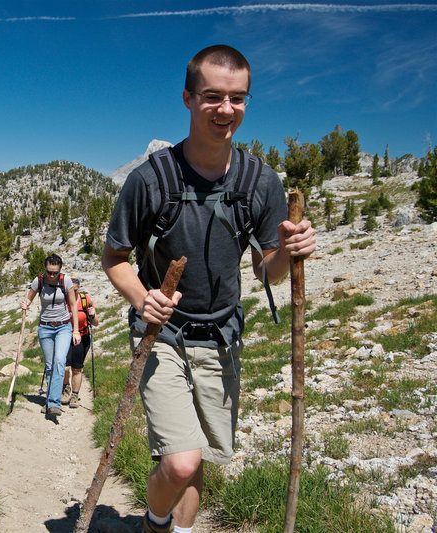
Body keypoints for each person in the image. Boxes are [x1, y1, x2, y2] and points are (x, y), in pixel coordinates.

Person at [101, 45, 316, 533]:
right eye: (213, 97)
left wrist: (290, 249)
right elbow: (114, 258)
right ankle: (155, 523)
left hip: (222, 338)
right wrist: (143, 299)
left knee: (200, 458)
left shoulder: (259, 181)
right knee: (180, 462)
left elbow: (269, 270)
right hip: (163, 336)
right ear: (187, 98)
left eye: (237, 98)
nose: (226, 110)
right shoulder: (150, 180)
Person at [21, 254, 81, 417]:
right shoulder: (39, 280)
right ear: (45, 269)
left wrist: (76, 330)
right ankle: (50, 400)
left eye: (55, 272)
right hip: (45, 328)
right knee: (49, 366)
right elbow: (29, 298)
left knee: (60, 361)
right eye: (49, 272)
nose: (52, 275)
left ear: (60, 270)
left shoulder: (66, 281)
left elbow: (73, 305)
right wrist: (26, 303)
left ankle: (54, 403)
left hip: (63, 327)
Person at [61, 278, 99, 409]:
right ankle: (65, 389)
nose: (72, 292)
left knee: (77, 368)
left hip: (82, 336)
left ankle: (74, 395)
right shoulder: (63, 300)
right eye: (70, 290)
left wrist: (93, 315)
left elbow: (95, 323)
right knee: (65, 366)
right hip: (65, 336)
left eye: (75, 290)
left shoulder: (85, 300)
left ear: (79, 288)